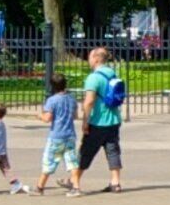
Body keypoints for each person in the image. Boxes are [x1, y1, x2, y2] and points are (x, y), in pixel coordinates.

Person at [75, 45, 128, 192]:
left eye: (90, 57)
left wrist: (85, 121)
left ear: (97, 59)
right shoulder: (112, 74)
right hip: (114, 120)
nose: (88, 59)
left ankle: (74, 180)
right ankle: (115, 182)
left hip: (98, 121)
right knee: (113, 150)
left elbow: (89, 101)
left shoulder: (93, 78)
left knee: (86, 151)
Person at [34, 79, 76, 194]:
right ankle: (76, 187)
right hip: (70, 134)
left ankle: (40, 187)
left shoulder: (52, 100)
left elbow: (47, 118)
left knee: (49, 161)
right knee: (72, 161)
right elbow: (75, 115)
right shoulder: (71, 98)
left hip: (56, 135)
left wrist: (40, 116)